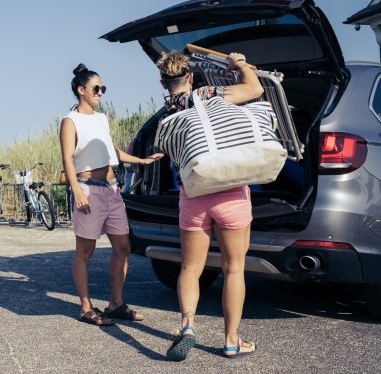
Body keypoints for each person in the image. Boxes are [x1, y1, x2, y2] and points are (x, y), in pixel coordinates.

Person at [157, 50, 264, 361]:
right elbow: (255, 90)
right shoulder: (207, 94)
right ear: (191, 77)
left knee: (190, 267)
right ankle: (232, 340)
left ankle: (187, 325)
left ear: (163, 82)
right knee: (234, 269)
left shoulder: (168, 111)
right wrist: (240, 63)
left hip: (193, 195)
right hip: (230, 192)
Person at [59, 63, 163, 326]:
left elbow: (112, 151)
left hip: (112, 190)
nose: (101, 92)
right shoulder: (70, 121)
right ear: (81, 90)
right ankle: (85, 308)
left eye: (103, 88)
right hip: (88, 190)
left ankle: (116, 303)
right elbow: (68, 160)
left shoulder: (102, 118)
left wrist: (141, 160)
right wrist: (77, 192)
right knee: (85, 252)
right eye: (96, 88)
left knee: (123, 246)